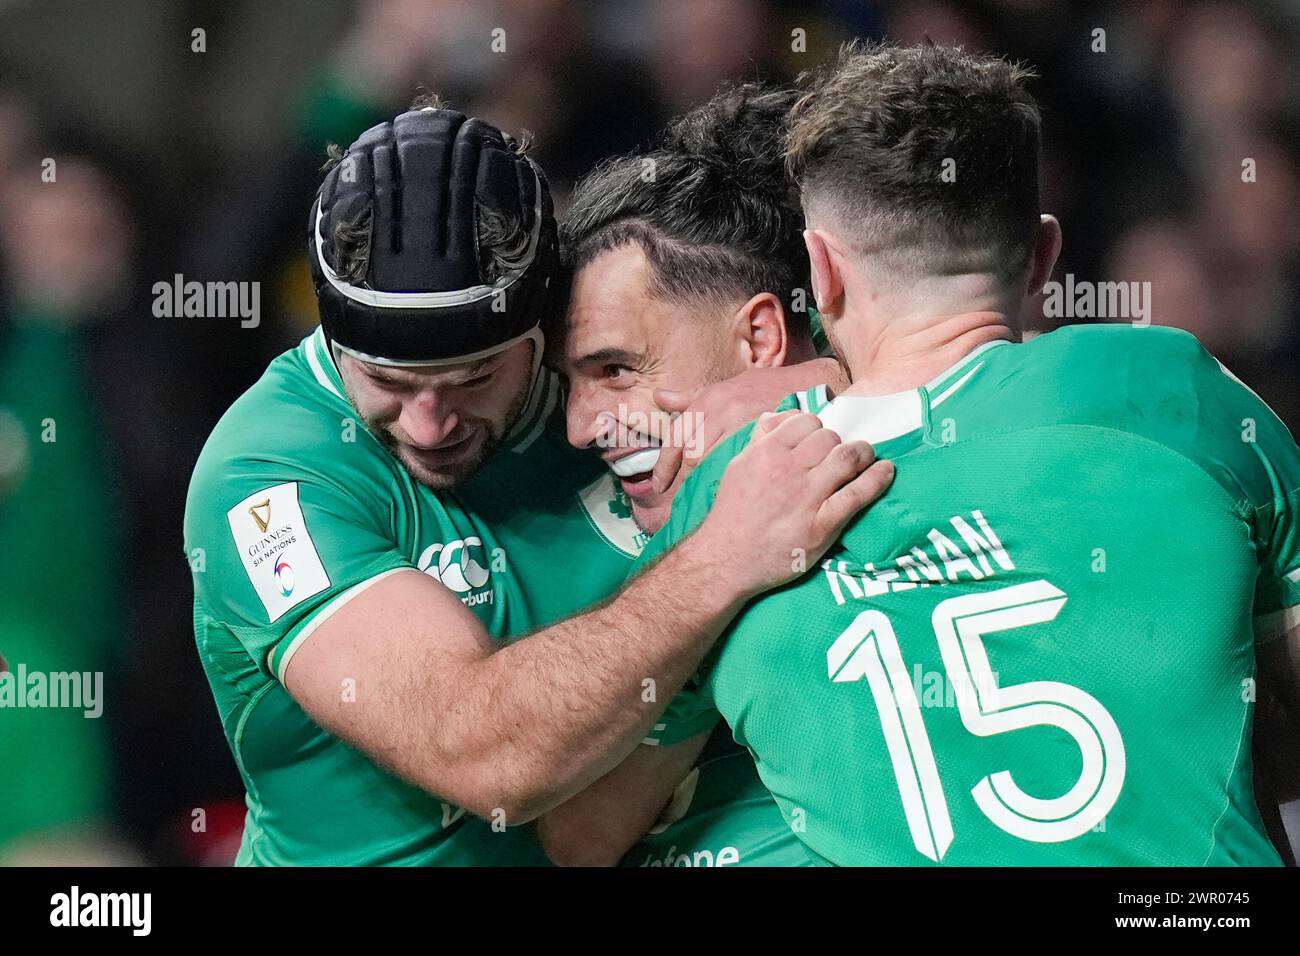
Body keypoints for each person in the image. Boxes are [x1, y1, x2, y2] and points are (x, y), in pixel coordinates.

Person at [620, 42, 1300, 865]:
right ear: (1044, 256)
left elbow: (589, 825)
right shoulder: (1175, 392)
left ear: (821, 271)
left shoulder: (733, 486)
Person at [184, 98, 892, 865]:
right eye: (388, 380)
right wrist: (719, 554)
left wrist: (827, 384)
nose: (428, 424)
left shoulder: (596, 386)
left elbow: (929, 333)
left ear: (540, 327)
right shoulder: (268, 478)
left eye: (473, 378)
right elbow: (483, 761)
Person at [542, 82, 839, 866]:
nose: (580, 427)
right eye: (569, 383)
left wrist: (831, 391)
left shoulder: (932, 474)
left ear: (760, 340)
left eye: (616, 368)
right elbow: (575, 837)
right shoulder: (569, 530)